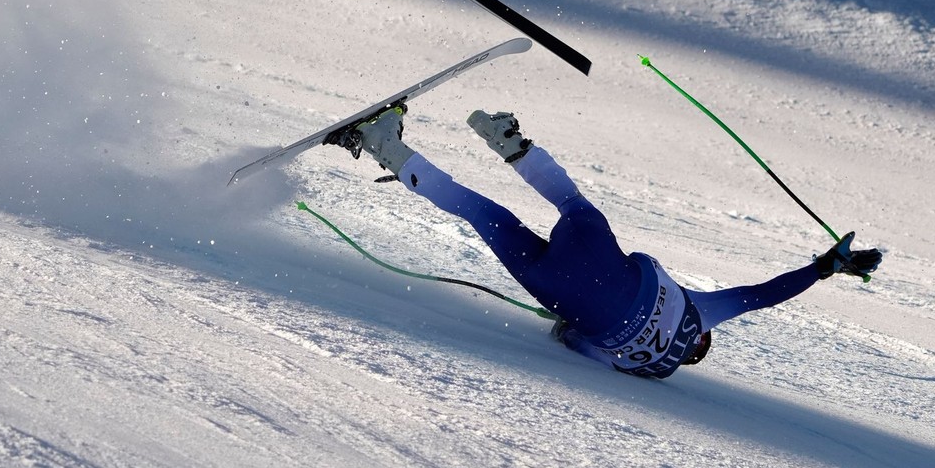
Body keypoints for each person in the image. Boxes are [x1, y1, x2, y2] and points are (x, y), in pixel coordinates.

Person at [337, 106, 882, 379]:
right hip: (558, 288)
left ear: (701, 342)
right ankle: (385, 146)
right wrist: (571, 324)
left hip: (600, 256)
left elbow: (763, 293)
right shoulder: (645, 368)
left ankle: (512, 144)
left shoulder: (703, 313)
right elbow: (570, 342)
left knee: (573, 206)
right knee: (484, 215)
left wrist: (825, 267)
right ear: (685, 359)